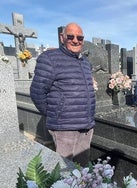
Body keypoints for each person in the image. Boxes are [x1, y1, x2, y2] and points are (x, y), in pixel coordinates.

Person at [30, 23, 96, 166]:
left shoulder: (85, 62)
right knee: (65, 170)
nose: (75, 40)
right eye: (70, 36)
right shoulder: (50, 59)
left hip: (86, 126)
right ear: (62, 37)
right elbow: (37, 92)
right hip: (64, 128)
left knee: (82, 170)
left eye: (80, 37)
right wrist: (55, 113)